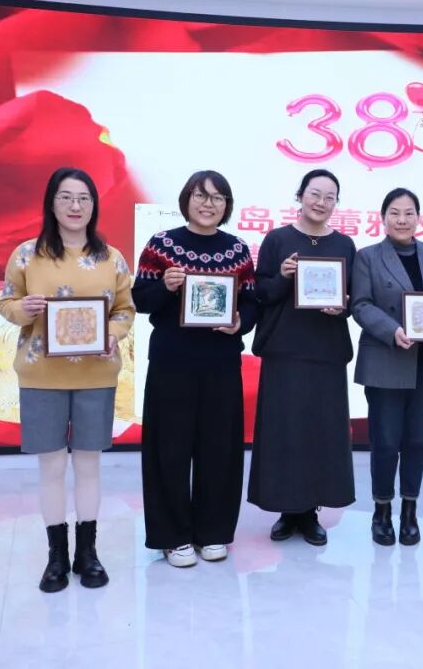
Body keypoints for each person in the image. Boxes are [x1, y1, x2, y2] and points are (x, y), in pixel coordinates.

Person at [0, 167, 134, 592]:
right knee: (52, 465)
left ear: (94, 206)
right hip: (41, 374)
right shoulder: (27, 254)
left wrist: (111, 335)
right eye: (66, 197)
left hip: (97, 374)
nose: (75, 206)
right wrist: (23, 310)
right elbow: (6, 301)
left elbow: (125, 311)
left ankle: (87, 553)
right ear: (51, 204)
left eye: (84, 198)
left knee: (89, 464)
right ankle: (56, 556)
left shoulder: (112, 258)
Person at [133, 170, 258, 568]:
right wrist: (165, 286)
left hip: (221, 362)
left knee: (220, 449)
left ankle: (213, 532)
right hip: (172, 361)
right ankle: (172, 537)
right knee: (168, 449)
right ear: (186, 199)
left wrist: (240, 322)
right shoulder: (162, 244)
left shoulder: (237, 249)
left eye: (218, 198)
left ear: (227, 206)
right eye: (201, 195)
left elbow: (251, 301)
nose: (209, 204)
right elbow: (140, 300)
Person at [247, 169, 357, 545]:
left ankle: (310, 512)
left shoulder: (344, 244)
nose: (321, 202)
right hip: (285, 349)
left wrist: (342, 306)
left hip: (326, 351)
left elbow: (352, 299)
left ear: (336, 203)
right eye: (314, 193)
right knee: (284, 432)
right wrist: (282, 275)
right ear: (300, 195)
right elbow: (261, 293)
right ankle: (286, 509)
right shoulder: (278, 239)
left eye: (329, 197)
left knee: (320, 433)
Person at [351, 188, 423, 546]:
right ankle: (381, 510)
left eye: (409, 213)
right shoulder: (367, 257)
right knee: (385, 442)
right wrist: (392, 330)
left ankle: (410, 510)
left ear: (418, 217)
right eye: (395, 213)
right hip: (385, 361)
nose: (402, 220)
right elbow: (360, 305)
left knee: (417, 441)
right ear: (383, 218)